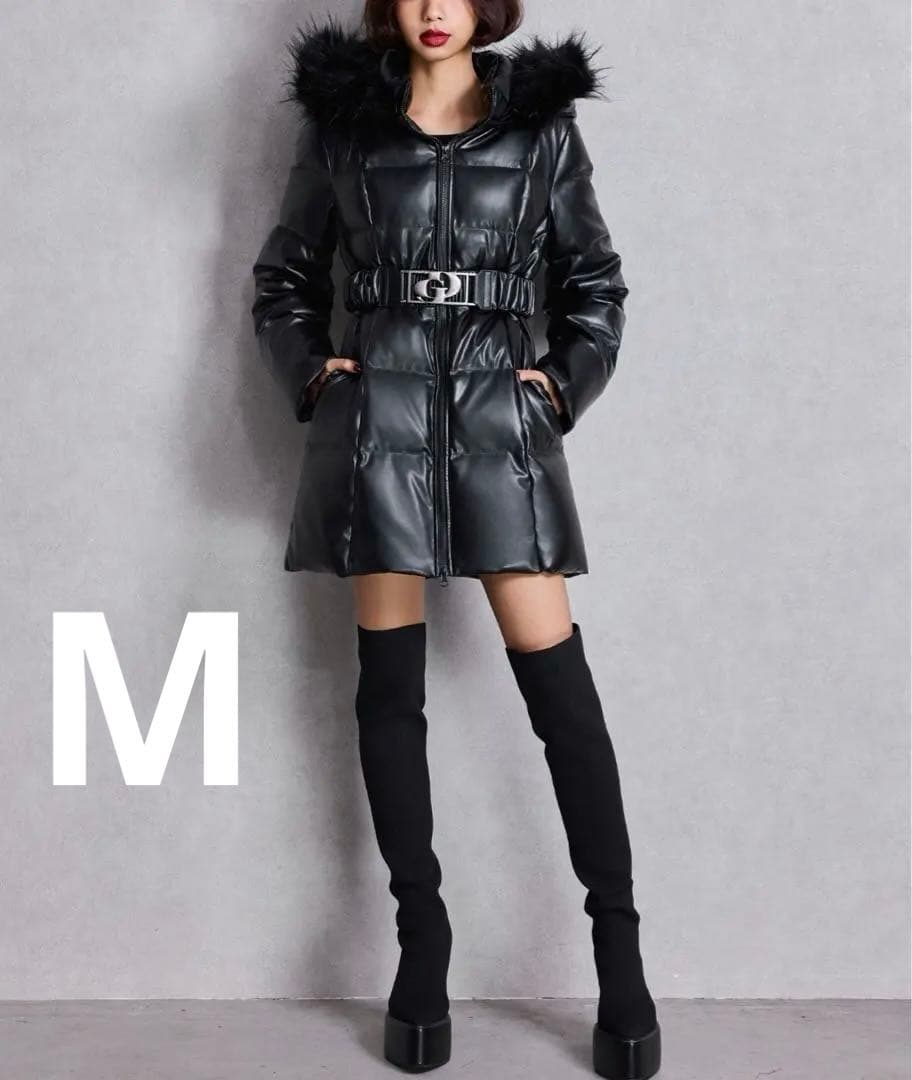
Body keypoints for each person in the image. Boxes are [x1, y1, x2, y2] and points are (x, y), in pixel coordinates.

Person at [250, 2, 661, 1077]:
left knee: (564, 705)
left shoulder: (541, 127)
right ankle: (421, 945)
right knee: (389, 694)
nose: (435, 8)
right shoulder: (343, 123)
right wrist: (316, 377)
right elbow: (285, 278)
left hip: (497, 425)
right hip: (379, 423)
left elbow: (595, 286)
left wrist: (557, 388)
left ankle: (620, 956)